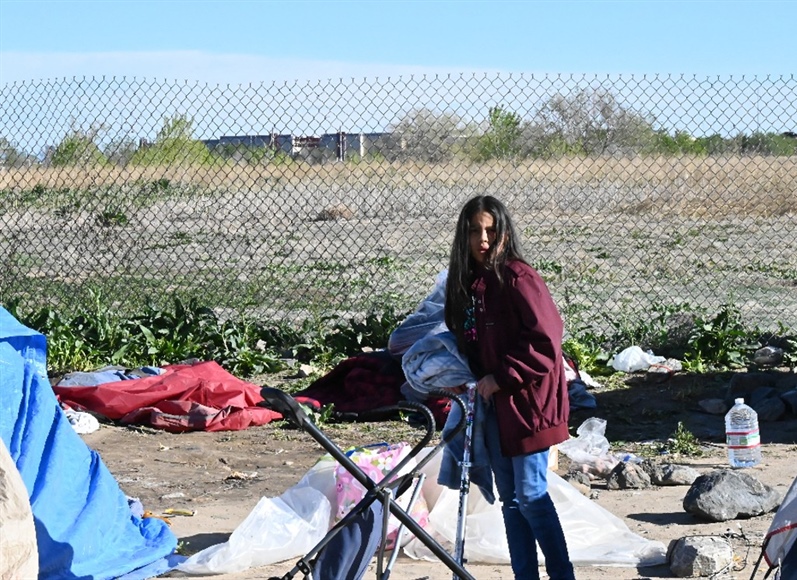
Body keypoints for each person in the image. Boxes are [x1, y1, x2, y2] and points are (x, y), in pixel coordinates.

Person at [443, 195, 576, 580]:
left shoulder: (519, 278)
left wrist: (501, 377)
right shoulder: (473, 284)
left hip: (529, 404)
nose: (482, 238)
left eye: (490, 229)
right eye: (473, 231)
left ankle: (562, 575)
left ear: (503, 231)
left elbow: (545, 341)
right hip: (496, 405)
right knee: (512, 502)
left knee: (531, 496)